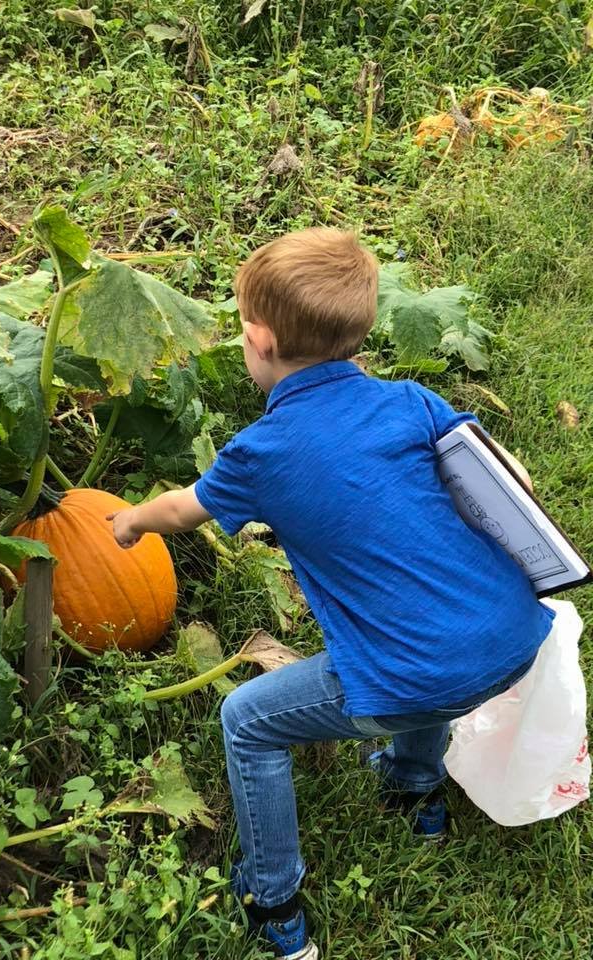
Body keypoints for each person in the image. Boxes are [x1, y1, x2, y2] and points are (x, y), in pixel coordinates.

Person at [109, 228, 554, 960]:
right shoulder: (412, 402)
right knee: (429, 650)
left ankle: (273, 902)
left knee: (248, 721)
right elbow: (515, 483)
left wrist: (128, 523)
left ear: (258, 339)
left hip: (418, 675)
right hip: (509, 638)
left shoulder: (260, 454)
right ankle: (416, 792)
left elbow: (181, 511)